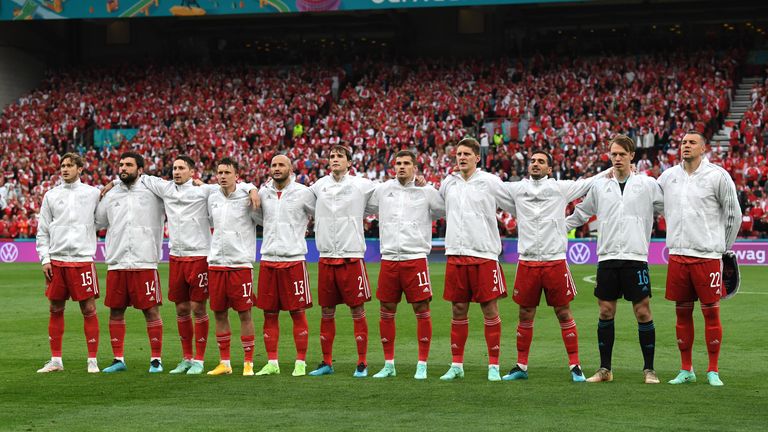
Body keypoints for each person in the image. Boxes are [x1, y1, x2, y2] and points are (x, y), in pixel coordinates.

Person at [107, 155, 258, 375]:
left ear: (192, 172)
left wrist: (252, 188)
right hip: (176, 257)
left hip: (199, 255)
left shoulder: (204, 191)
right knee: (181, 309)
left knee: (198, 308)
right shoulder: (165, 188)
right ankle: (186, 358)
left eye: (181, 168)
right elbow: (136, 176)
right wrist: (112, 184)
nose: (176, 172)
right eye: (174, 168)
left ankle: (199, 360)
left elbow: (234, 185)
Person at [503, 148, 609, 383]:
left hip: (554, 261)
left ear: (550, 169)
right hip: (528, 261)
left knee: (563, 312)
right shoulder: (517, 189)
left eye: (541, 161)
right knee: (525, 313)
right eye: (532, 160)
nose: (535, 163)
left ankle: (575, 365)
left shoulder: (560, 188)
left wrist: (614, 169)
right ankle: (521, 365)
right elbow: (491, 189)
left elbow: (589, 182)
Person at [566, 135, 664, 384]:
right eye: (613, 154)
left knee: (643, 312)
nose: (617, 158)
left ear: (632, 156)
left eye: (622, 154)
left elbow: (670, 209)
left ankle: (649, 370)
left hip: (635, 256)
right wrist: (557, 227)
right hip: (608, 256)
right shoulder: (600, 187)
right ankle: (605, 369)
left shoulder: (647, 184)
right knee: (606, 311)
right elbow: (582, 213)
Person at [658, 131, 741, 386]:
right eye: (683, 142)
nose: (686, 146)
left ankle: (713, 370)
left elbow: (733, 214)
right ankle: (686, 369)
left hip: (707, 256)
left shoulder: (717, 176)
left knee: (711, 314)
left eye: (692, 142)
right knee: (681, 314)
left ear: (703, 148)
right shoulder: (669, 177)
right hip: (678, 256)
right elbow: (653, 203)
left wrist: (722, 248)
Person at [438, 137, 515, 382]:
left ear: (477, 157)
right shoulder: (448, 182)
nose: (461, 158)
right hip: (456, 254)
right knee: (458, 309)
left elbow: (512, 205)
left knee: (490, 309)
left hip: (484, 255)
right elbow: (438, 207)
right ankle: (457, 365)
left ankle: (493, 365)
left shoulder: (491, 182)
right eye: (458, 154)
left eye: (466, 154)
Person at [366, 150, 445, 380]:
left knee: (421, 310)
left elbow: (446, 208)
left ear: (415, 168)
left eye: (406, 163)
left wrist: (428, 184)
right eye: (398, 163)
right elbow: (362, 206)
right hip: (389, 258)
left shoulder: (426, 192)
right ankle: (389, 364)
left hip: (415, 258)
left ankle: (422, 364)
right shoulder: (382, 190)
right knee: (386, 310)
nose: (401, 167)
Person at [308, 145, 376, 377]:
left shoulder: (362, 184)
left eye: (340, 156)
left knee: (357, 309)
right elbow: (296, 196)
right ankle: (327, 362)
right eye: (332, 157)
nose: (335, 160)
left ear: (349, 162)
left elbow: (387, 194)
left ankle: (362, 362)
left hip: (351, 256)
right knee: (326, 311)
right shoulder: (319, 186)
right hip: (326, 256)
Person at [96, 152, 166, 373]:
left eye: (128, 165)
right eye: (121, 165)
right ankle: (118, 359)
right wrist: (110, 186)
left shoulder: (153, 191)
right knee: (116, 310)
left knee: (151, 311)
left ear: (141, 169)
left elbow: (173, 189)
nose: (123, 168)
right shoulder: (112, 194)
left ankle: (156, 359)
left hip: (144, 260)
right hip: (117, 261)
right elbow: (98, 221)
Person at [35, 153, 102, 373]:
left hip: (82, 260)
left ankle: (92, 361)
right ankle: (56, 360)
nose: (65, 169)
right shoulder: (51, 196)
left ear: (80, 169)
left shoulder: (92, 194)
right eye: (62, 166)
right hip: (57, 260)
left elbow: (103, 216)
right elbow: (43, 230)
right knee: (55, 308)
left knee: (89, 308)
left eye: (70, 165)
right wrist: (45, 258)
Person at [252, 155, 316, 377]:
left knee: (297, 313)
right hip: (269, 259)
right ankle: (272, 362)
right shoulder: (262, 193)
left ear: (291, 169)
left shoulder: (303, 193)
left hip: (293, 260)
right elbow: (258, 217)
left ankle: (300, 362)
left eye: (281, 165)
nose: (277, 169)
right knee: (269, 314)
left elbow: (320, 213)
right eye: (273, 165)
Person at [205, 157, 260, 376]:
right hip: (217, 263)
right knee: (219, 313)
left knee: (245, 314)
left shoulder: (247, 197)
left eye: (227, 172)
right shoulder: (213, 198)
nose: (223, 176)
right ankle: (225, 363)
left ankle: (248, 362)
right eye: (220, 172)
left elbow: (255, 192)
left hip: (240, 264)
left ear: (237, 175)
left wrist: (251, 188)